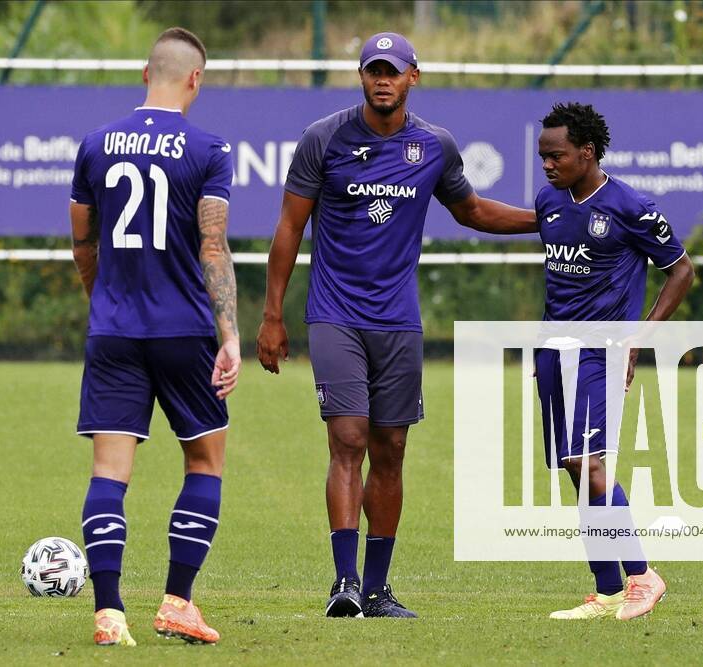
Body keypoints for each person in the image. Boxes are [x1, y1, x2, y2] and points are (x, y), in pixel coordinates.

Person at [256, 32, 537, 619]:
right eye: (372, 70)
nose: (382, 79)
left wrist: (548, 219)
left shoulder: (434, 145)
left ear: (414, 76)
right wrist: (272, 315)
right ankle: (345, 583)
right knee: (349, 439)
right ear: (360, 78)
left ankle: (379, 591)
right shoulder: (323, 139)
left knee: (392, 448)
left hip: (399, 321)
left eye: (393, 70)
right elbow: (288, 230)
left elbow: (474, 210)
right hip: (335, 315)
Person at [69, 27, 240, 646]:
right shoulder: (210, 149)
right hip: (184, 329)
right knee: (205, 460)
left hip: (113, 330)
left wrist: (103, 304)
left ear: (147, 72)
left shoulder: (94, 144)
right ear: (195, 79)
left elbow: (82, 241)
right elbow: (213, 249)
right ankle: (176, 603)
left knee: (109, 473)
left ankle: (109, 614)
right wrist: (231, 336)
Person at [533, 102, 695, 620]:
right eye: (543, 156)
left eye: (556, 156)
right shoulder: (549, 202)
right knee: (576, 471)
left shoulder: (630, 206)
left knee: (591, 464)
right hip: (555, 354)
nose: (547, 166)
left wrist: (637, 340)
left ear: (587, 152)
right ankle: (606, 592)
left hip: (601, 354)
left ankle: (643, 576)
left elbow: (682, 272)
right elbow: (558, 285)